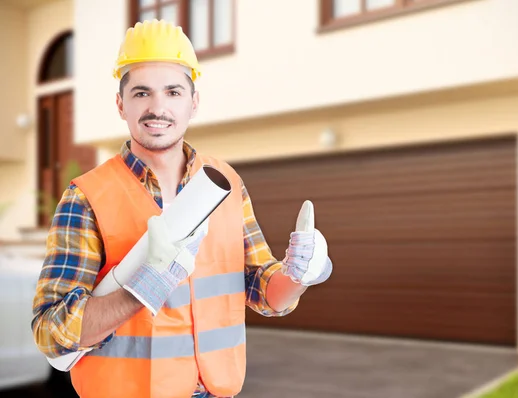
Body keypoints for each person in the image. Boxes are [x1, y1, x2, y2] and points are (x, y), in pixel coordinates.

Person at [31, 19, 333, 398]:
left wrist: (300, 275)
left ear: (194, 103)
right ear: (121, 104)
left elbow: (261, 291)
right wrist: (142, 289)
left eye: (173, 91)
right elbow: (50, 332)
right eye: (142, 93)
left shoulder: (225, 183)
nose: (158, 107)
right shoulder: (87, 197)